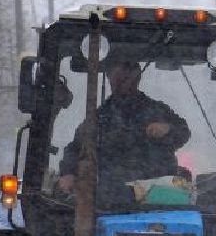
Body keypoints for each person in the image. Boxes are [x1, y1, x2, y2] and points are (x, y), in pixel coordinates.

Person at [57, 49, 191, 194]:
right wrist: (68, 173)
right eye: (117, 79)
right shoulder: (99, 118)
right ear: (109, 78)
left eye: (126, 79)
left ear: (137, 78)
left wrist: (168, 129)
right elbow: (76, 148)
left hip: (158, 196)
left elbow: (183, 132)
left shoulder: (157, 111)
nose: (121, 84)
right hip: (111, 198)